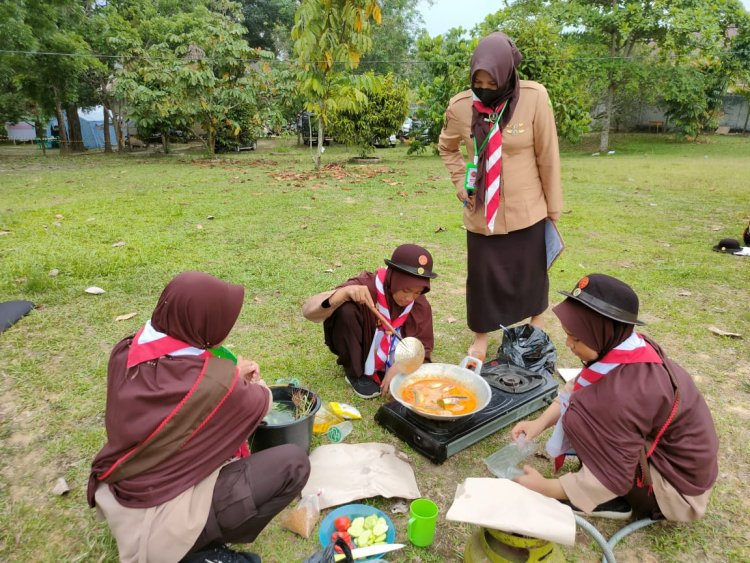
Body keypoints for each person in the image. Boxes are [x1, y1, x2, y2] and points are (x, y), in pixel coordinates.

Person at [87, 272, 310, 563]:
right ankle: (198, 547)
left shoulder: (127, 350)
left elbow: (180, 397)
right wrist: (241, 378)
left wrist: (229, 376)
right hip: (162, 523)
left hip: (122, 494)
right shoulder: (215, 381)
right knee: (293, 464)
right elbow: (262, 400)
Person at [511, 274, 719, 521]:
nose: (568, 344)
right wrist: (539, 423)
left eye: (577, 338)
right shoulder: (624, 349)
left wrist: (547, 488)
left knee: (585, 418)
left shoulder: (623, 395)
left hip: (675, 489)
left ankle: (614, 502)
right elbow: (576, 389)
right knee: (585, 411)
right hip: (672, 460)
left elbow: (613, 475)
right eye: (569, 334)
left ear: (604, 332)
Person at [438, 31, 562, 361]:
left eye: (491, 83)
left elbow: (547, 155)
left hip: (528, 206)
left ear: (507, 73)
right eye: (478, 82)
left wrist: (553, 207)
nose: (485, 89)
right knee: (482, 277)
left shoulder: (534, 98)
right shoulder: (461, 107)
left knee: (531, 271)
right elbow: (446, 147)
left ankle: (536, 323)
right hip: (482, 210)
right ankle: (481, 337)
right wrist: (458, 182)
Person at [302, 244, 436, 399]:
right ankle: (355, 372)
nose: (409, 298)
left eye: (417, 292)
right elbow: (308, 311)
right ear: (394, 278)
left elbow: (423, 347)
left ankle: (387, 365)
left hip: (397, 355)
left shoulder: (419, 304)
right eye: (406, 290)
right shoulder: (366, 285)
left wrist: (402, 365)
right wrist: (342, 294)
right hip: (363, 347)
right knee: (346, 309)